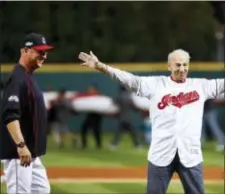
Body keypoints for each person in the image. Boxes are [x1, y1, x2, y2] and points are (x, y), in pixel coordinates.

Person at [78, 49, 224, 194]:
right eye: (178, 65)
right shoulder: (156, 84)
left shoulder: (201, 86)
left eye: (185, 65)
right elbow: (128, 79)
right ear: (169, 66)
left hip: (190, 155)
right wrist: (101, 66)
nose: (182, 69)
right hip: (160, 154)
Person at [0, 32, 53, 194]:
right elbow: (10, 116)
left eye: (45, 52)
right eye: (39, 51)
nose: (44, 55)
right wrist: (21, 146)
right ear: (25, 51)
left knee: (42, 190)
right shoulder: (17, 79)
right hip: (18, 154)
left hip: (31, 154)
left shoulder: (27, 77)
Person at [110, 85, 141, 150]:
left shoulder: (120, 97)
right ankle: (137, 145)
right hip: (128, 118)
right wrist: (139, 109)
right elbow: (134, 107)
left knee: (119, 132)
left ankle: (114, 145)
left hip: (122, 118)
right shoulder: (130, 97)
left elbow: (114, 102)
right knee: (132, 133)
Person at [80, 84, 103, 149]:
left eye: (91, 89)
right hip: (90, 115)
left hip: (97, 115)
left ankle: (98, 144)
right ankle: (84, 144)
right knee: (84, 129)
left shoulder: (98, 96)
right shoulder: (88, 96)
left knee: (96, 130)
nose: (89, 91)